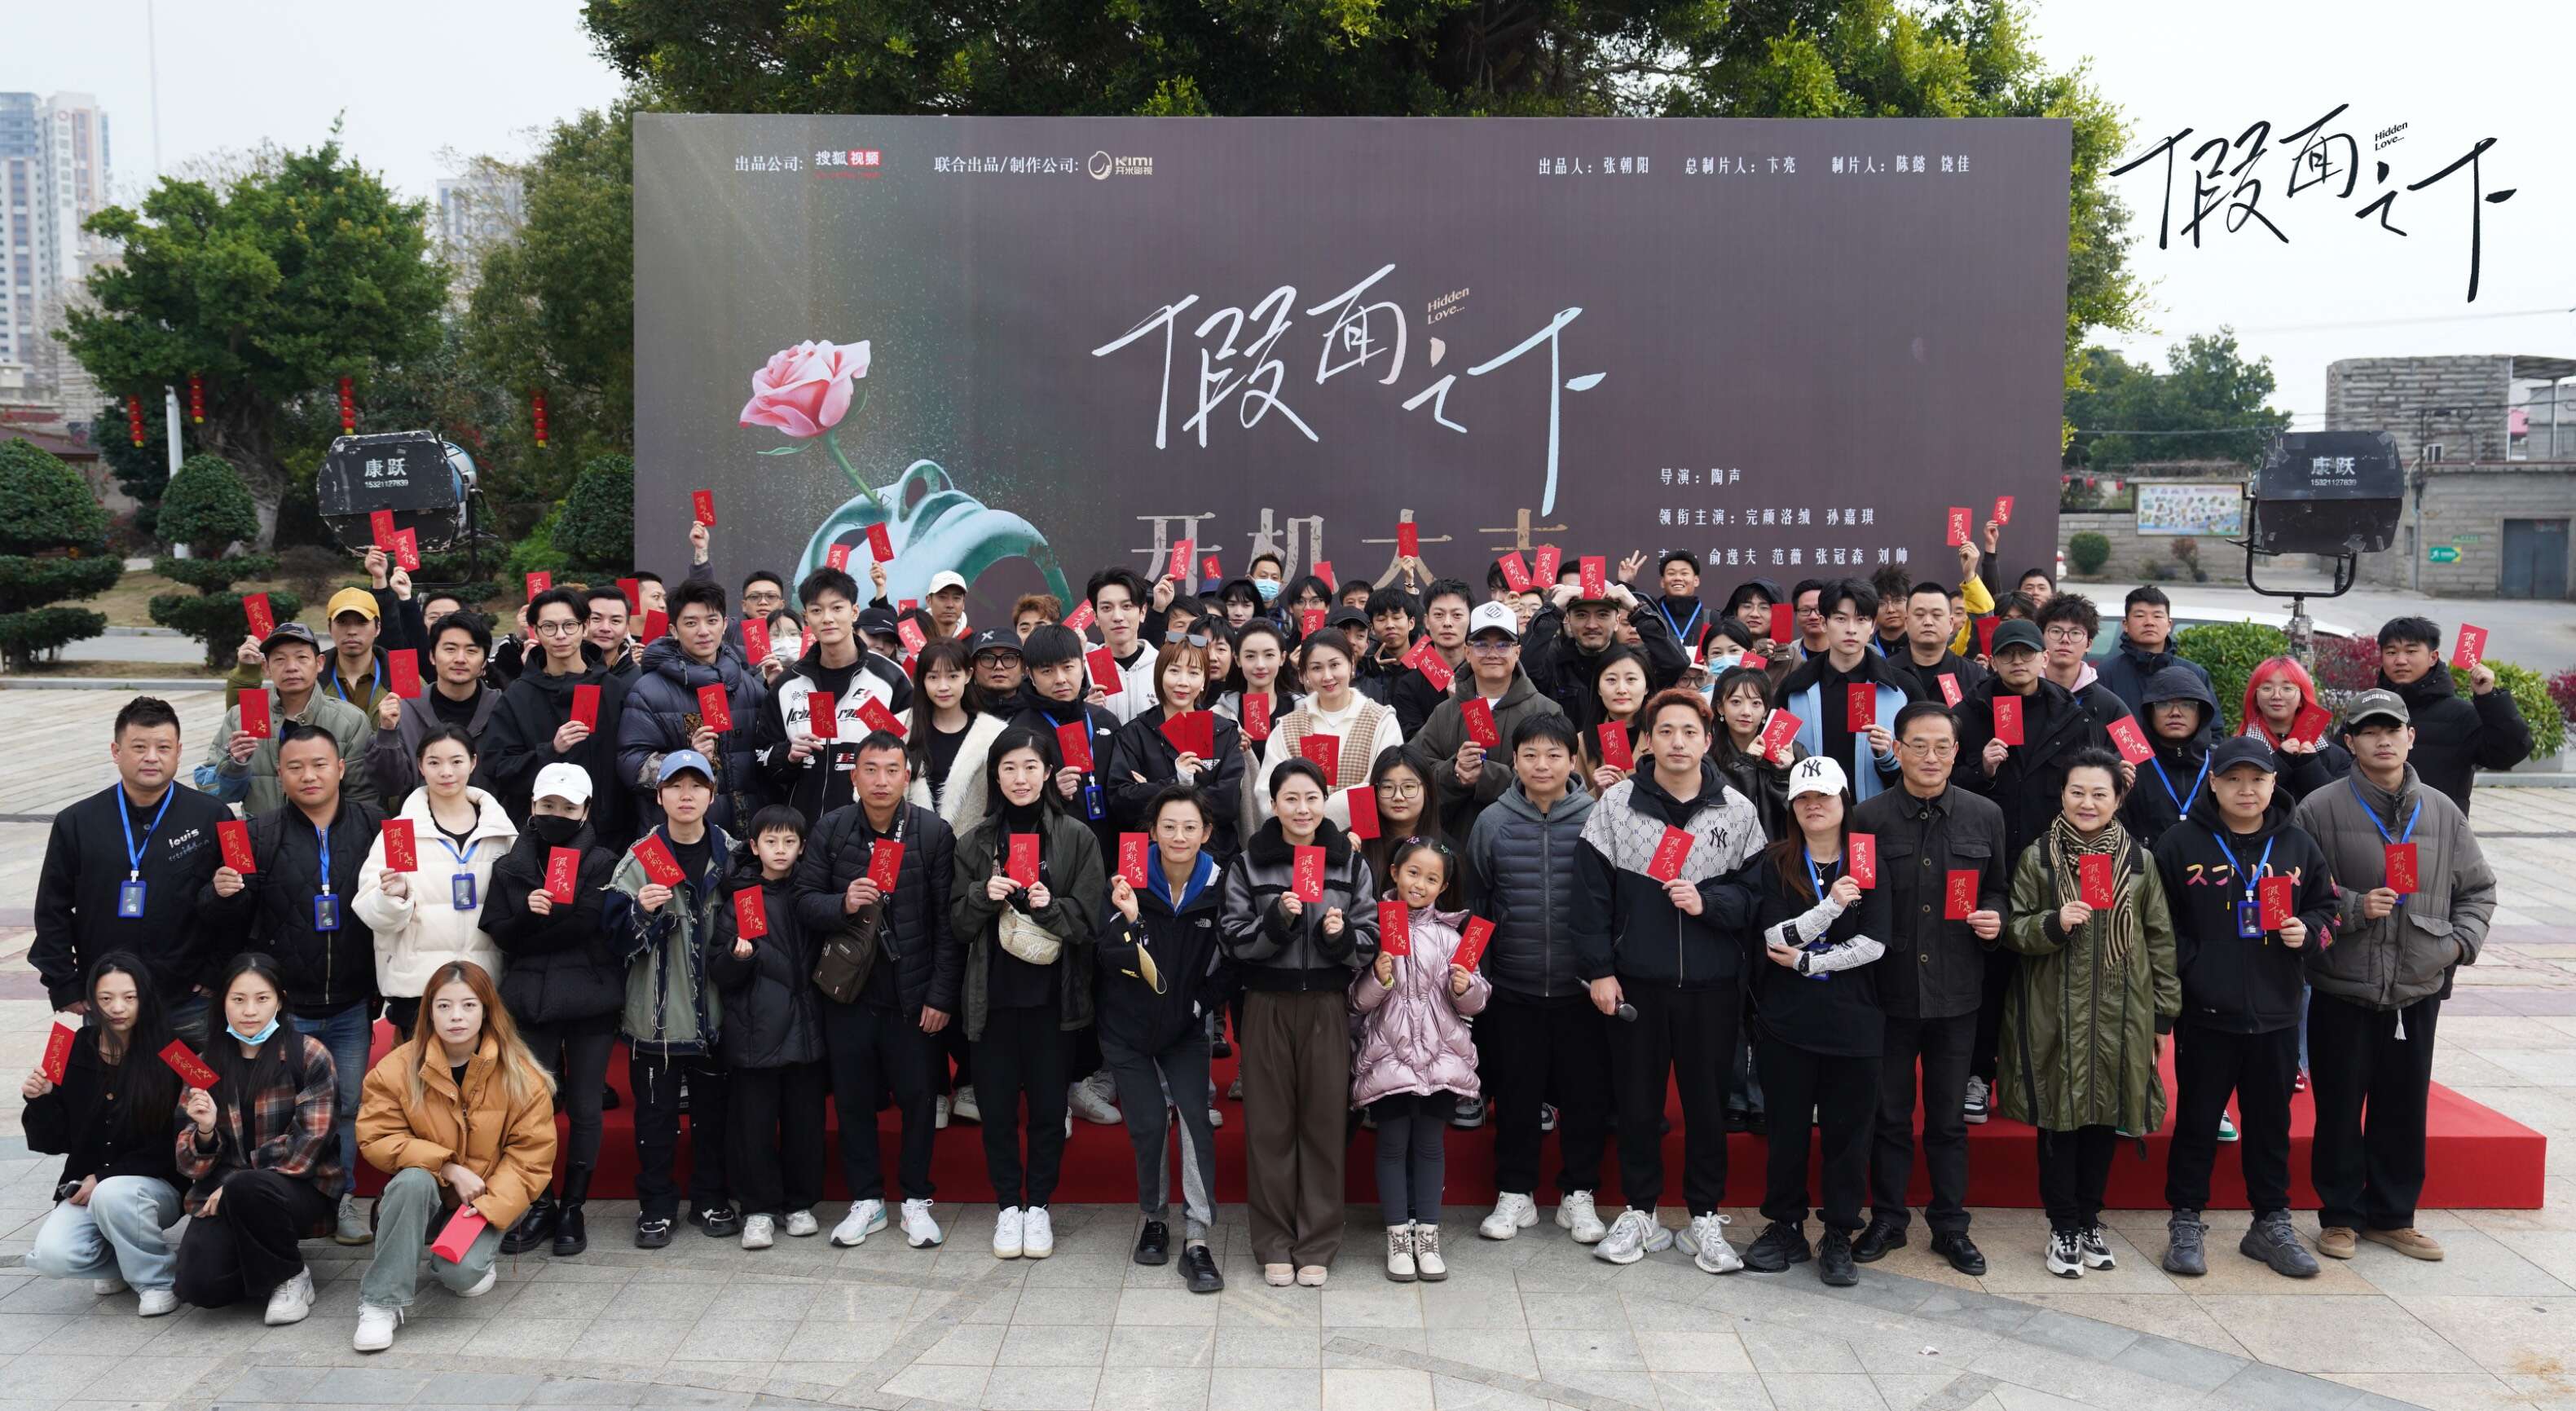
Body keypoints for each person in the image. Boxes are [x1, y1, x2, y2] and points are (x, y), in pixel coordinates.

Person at [2294, 689, 2497, 1263]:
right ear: (2350, 742)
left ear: (2411, 737)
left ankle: (2393, 1217)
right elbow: (2296, 890)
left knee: (2404, 1107)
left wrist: (2457, 945)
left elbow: (2478, 889)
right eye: (2369, 731)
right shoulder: (2318, 808)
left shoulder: (2442, 811)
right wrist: (2355, 907)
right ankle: (2339, 1216)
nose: (2382, 740)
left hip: (2415, 987)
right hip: (2342, 983)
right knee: (2339, 1108)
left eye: (2392, 729)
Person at [1574, 689, 1766, 1272]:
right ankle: (1641, 1212)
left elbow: (1755, 896)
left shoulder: (1737, 810)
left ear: (1707, 740)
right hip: (1637, 984)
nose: (1677, 742)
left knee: (1708, 1106)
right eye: (1665, 731)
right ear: (1648, 740)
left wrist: (1708, 903)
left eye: (1688, 731)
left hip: (1712, 986)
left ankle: (1704, 1215)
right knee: (1638, 1105)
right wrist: (1600, 971)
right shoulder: (1615, 807)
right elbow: (1589, 897)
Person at [2153, 737, 2336, 1281]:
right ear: (2213, 783)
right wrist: (2196, 966)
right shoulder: (2179, 843)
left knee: (2269, 1124)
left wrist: (2309, 933)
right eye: (2233, 779)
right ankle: (2186, 1220)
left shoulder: (2297, 844)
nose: (2246, 790)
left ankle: (2269, 1223)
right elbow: (2159, 923)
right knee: (2197, 1121)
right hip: (2205, 1013)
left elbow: (2329, 909)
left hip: (2277, 1013)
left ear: (2273, 784)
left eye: (2257, 779)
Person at [200, 720, 385, 1246]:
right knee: (283, 1106)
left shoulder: (377, 825)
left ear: (341, 768)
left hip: (350, 1000)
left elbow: (400, 902)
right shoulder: (255, 832)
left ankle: (342, 1197)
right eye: (296, 767)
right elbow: (227, 919)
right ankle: (285, 1195)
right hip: (287, 1006)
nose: (309, 775)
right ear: (279, 774)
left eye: (320, 764)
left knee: (346, 1105)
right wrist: (221, 892)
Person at [1997, 747, 2179, 1278]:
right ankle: (2062, 1226)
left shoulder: (2138, 861)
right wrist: (2053, 923)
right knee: (2059, 1119)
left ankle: (2088, 1218)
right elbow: (2013, 929)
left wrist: (2162, 1015)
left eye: (2099, 793)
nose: (2087, 802)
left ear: (2118, 799)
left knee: (2105, 1116)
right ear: (2061, 795)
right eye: (2076, 791)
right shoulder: (2039, 857)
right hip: (2053, 1009)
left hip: (2123, 1011)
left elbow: (2159, 940)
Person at [1955, 617, 2129, 1125]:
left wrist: (2116, 782)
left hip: (2053, 862)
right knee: (1986, 973)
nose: (2018, 662)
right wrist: (1983, 768)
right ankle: (1977, 1075)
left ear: (2042, 657)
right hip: (1984, 859)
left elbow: (2088, 783)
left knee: (2046, 972)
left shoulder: (2071, 712)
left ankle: (2044, 1075)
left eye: (2026, 653)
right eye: (2007, 654)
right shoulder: (1969, 712)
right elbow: (1944, 778)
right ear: (1993, 660)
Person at [1851, 702, 2005, 1274]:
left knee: (1946, 1119)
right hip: (1887, 990)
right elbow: (1856, 896)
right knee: (1888, 1115)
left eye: (1943, 746)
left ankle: (1949, 1225)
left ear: (1957, 751)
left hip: (1956, 989)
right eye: (1918, 745)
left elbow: (1999, 887)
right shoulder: (1866, 818)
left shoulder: (1985, 815)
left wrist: (1995, 917)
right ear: (1897, 749)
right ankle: (1888, 1218)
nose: (1931, 757)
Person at [792, 730, 957, 1250]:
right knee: (854, 1100)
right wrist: (842, 903)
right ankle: (866, 1199)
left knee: (918, 1099)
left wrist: (940, 995)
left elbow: (948, 923)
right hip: (848, 991)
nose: (881, 781)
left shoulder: (932, 832)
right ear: (854, 776)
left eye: (891, 770)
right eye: (870, 770)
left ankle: (916, 1199)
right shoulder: (832, 828)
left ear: (908, 777)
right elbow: (802, 900)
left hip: (913, 993)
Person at [1221, 758, 1379, 1285]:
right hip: (1266, 1003)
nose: (1302, 808)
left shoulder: (1349, 863)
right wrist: (1277, 921)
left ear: (1324, 800)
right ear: (1273, 804)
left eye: (1311, 797)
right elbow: (1233, 939)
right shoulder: (1249, 863)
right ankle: (1273, 1241)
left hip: (1327, 1008)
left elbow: (1369, 940)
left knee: (1323, 1123)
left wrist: (1338, 936)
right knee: (1269, 1126)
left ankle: (1317, 1242)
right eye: (1290, 798)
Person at [949, 730, 1104, 1260]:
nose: (1021, 778)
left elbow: (1089, 922)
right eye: (1010, 767)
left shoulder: (1077, 837)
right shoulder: (974, 842)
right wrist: (981, 894)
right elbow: (956, 923)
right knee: (995, 1111)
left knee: (1046, 1109)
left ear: (1048, 773)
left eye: (1031, 767)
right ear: (995, 775)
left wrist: (1049, 905)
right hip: (990, 998)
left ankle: (1037, 1204)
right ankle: (1006, 1206)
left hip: (1051, 1001)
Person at [350, 960, 557, 1351]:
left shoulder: (520, 1075)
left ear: (487, 1010)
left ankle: (469, 1258)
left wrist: (487, 1204)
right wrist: (447, 1167)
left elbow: (530, 1157)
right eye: (444, 1006)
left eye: (468, 1005)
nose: (456, 1016)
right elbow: (378, 1136)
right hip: (425, 1190)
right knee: (412, 1180)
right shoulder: (397, 1068)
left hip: (484, 1197)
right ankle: (380, 1303)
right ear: (429, 1012)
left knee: (460, 1275)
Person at [1739, 756, 1891, 1286]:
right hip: (1787, 1022)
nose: (1813, 805)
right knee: (1786, 1131)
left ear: (1844, 801)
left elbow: (1874, 943)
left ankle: (1839, 1232)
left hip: (1855, 1022)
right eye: (1803, 798)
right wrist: (1829, 907)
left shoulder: (1866, 859)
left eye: (1823, 796)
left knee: (1848, 1137)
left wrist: (1807, 961)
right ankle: (1784, 1225)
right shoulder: (1775, 860)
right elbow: (1773, 937)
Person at [1467, 714, 1609, 1245]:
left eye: (1553, 755)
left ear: (1572, 760)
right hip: (1513, 985)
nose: (1542, 765)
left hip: (1582, 989)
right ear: (1515, 761)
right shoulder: (1492, 821)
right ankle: (1515, 1192)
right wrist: (1475, 978)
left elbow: (1613, 900)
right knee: (1516, 1095)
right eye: (1530, 755)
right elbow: (1478, 904)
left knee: (1585, 1096)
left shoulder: (1596, 817)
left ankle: (1579, 1194)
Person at [481, 762, 623, 1257]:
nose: (556, 814)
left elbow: (587, 923)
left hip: (590, 998)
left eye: (567, 807)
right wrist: (526, 915)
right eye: (547, 805)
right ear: (532, 806)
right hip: (529, 1000)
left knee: (584, 1106)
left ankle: (573, 1207)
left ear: (585, 811)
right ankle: (539, 1202)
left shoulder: (603, 861)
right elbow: (498, 931)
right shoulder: (509, 865)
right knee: (532, 1106)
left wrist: (533, 930)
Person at [35, 696, 231, 1043]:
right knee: (110, 1079)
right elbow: (52, 909)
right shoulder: (75, 822)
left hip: (187, 1003)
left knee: (191, 1079)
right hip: (109, 1002)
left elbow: (242, 901)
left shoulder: (217, 817)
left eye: (163, 747)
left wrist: (216, 972)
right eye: (139, 747)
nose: (152, 757)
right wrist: (64, 982)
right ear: (116, 751)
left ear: (178, 752)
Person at [1097, 784, 1229, 1293]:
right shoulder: (1126, 879)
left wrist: (1198, 1005)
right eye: (1169, 826)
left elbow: (1232, 963)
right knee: (1149, 1124)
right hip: (1127, 1030)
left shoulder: (1218, 885)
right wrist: (1132, 919)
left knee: (1195, 1122)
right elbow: (1109, 955)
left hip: (1185, 1029)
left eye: (1190, 827)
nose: (1179, 836)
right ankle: (1155, 1217)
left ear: (1206, 832)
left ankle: (1197, 1235)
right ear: (1152, 831)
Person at [604, 750, 737, 1247]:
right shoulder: (641, 857)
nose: (686, 795)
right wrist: (639, 913)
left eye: (696, 786)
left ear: (711, 795)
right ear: (658, 796)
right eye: (675, 786)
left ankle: (711, 1198)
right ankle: (656, 1207)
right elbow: (613, 939)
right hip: (655, 1017)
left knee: (714, 1117)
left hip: (717, 1013)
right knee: (655, 1120)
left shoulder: (732, 852)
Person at [171, 953, 345, 1326]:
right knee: (198, 1287)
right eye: (238, 999)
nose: (249, 1011)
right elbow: (186, 1163)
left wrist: (236, 1183)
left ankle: (291, 1276)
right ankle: (262, 1261)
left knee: (247, 1188)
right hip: (224, 1192)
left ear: (280, 1001)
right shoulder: (204, 1063)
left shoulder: (308, 1054)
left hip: (298, 1188)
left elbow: (309, 1144)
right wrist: (205, 1131)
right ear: (223, 1002)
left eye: (262, 999)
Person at [1353, 838, 1491, 1283]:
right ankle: (1397, 1237)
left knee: (1431, 1146)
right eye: (1413, 873)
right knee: (1392, 1145)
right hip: (1387, 1058)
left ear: (1443, 887)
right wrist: (1378, 978)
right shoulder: (1374, 928)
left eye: (1432, 878)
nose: (1420, 884)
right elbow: (1355, 1002)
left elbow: (1477, 1003)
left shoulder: (1453, 937)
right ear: (1394, 873)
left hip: (1440, 1058)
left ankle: (1428, 1237)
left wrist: (1464, 987)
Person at [22, 955, 187, 1317]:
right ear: (92, 1001)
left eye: (129, 997)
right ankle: (131, 1260)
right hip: (86, 1186)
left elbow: (182, 1138)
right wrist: (40, 1100)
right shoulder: (67, 1048)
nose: (117, 1008)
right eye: (106, 998)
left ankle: (157, 1281)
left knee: (113, 1193)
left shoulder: (177, 1052)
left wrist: (107, 1176)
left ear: (145, 998)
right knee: (52, 1257)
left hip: (155, 1186)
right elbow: (52, 1143)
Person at [709, 805, 828, 1250]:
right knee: (753, 1128)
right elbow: (721, 971)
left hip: (807, 1028)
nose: (781, 850)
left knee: (805, 1126)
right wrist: (736, 958)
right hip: (755, 1031)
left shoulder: (812, 893)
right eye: (771, 842)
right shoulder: (744, 898)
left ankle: (800, 1204)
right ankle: (758, 1210)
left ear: (802, 846)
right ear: (754, 847)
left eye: (789, 842)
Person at [353, 725, 517, 1037]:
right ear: (420, 766)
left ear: (473, 762)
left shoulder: (501, 832)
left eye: (456, 761)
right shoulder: (402, 832)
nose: (446, 772)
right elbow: (372, 913)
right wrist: (395, 897)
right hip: (419, 986)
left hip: (483, 984)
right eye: (434, 762)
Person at [477, 587, 636, 846]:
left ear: (585, 627)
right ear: (536, 631)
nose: (560, 635)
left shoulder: (615, 690)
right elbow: (498, 768)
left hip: (609, 837)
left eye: (569, 625)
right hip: (540, 836)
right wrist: (551, 750)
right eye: (549, 627)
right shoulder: (517, 696)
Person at [763, 565, 917, 824]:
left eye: (837, 608)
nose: (827, 618)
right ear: (806, 618)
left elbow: (913, 753)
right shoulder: (788, 684)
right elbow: (762, 754)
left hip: (870, 828)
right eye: (816, 610)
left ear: (854, 612)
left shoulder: (891, 678)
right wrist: (787, 756)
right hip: (803, 831)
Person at [622, 577, 771, 833]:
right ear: (673, 630)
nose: (703, 631)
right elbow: (631, 765)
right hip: (680, 833)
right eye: (691, 623)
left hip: (745, 832)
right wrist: (686, 759)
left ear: (725, 624)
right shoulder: (647, 690)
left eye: (712, 621)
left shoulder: (748, 685)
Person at [1407, 602, 1565, 843]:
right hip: (1455, 846)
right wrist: (1455, 772)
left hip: (1527, 845)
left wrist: (1485, 776)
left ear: (1517, 652)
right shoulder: (1445, 712)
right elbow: (1414, 773)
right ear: (1467, 652)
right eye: (1482, 645)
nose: (1492, 654)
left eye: (1503, 645)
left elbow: (1556, 780)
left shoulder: (1546, 711)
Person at [201, 622, 376, 814]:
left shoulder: (350, 720)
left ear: (319, 663)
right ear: (266, 667)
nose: (291, 667)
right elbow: (215, 792)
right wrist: (235, 765)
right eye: (280, 659)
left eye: (302, 658)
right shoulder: (241, 716)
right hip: (262, 829)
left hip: (326, 831)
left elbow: (362, 796)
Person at [2370, 616, 2532, 814]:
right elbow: (2341, 766)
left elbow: (2508, 753)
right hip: (2371, 826)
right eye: (2391, 652)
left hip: (2442, 826)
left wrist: (2489, 698)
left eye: (2411, 651)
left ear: (2433, 657)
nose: (2400, 660)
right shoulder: (2368, 711)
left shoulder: (2461, 715)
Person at [1776, 578, 1916, 801]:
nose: (1851, 629)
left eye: (1861, 619)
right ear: (1824, 623)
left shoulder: (1902, 688)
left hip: (1879, 815)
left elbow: (1920, 767)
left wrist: (1887, 757)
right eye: (1841, 619)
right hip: (1813, 813)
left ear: (1872, 626)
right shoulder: (1794, 689)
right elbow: (1775, 758)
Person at [1107, 635, 1248, 858]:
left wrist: (1155, 789)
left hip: (1213, 853)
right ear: (1160, 674)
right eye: (1174, 671)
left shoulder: (1223, 732)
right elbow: (1122, 801)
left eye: (1193, 673)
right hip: (1149, 855)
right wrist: (1177, 781)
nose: (1183, 682)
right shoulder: (1134, 734)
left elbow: (1228, 802)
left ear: (1204, 680)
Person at [1252, 630, 1406, 832]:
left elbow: (1386, 785)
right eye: (1316, 668)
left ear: (1351, 664)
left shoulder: (1382, 721)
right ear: (1304, 674)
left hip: (1366, 840)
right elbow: (1266, 795)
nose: (1327, 676)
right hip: (1303, 842)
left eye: (1334, 665)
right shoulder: (1288, 728)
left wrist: (1314, 811)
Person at [1521, 571, 1689, 725]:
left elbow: (1676, 663)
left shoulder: (1636, 663)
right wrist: (1552, 610)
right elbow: (1524, 667)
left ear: (1617, 621)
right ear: (1568, 620)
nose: (1592, 625)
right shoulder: (1553, 661)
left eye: (1602, 615)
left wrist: (1637, 608)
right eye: (1581, 615)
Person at [367, 611, 500, 803]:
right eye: (450, 649)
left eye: (471, 651)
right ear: (432, 656)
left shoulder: (502, 709)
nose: (460, 659)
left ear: (484, 662)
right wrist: (387, 733)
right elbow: (389, 786)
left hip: (489, 818)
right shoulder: (405, 711)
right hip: (422, 819)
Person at [905, 637, 1007, 833]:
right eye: (933, 677)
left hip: (972, 847)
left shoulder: (993, 734)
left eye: (952, 676)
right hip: (911, 847)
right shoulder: (901, 728)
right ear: (922, 680)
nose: (943, 686)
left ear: (968, 675)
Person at [2120, 665, 2221, 846]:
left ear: (2202, 712)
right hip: (2143, 861)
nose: (2175, 713)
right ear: (2149, 712)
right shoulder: (2129, 762)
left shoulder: (2219, 762)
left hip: (2209, 863)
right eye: (2164, 704)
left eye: (2187, 705)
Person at [1707, 664, 1804, 841]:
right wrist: (1746, 763)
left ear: (1766, 710)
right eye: (1736, 702)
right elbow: (1721, 810)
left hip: (1782, 851)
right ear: (1720, 708)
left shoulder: (1793, 751)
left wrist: (1783, 774)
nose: (1746, 712)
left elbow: (1804, 813)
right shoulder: (1708, 757)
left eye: (1756, 703)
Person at [2095, 586, 2217, 725]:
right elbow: (2095, 727)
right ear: (2126, 624)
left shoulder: (2195, 674)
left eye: (2158, 616)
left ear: (2169, 624)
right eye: (2140, 616)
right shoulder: (2105, 675)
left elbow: (2213, 728)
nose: (2149, 622)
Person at [2240, 655, 2352, 802]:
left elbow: (2340, 803)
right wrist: (2281, 761)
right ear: (2255, 697)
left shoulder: (2337, 757)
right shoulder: (2237, 750)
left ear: (2302, 699)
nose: (2276, 696)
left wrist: (2309, 764)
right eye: (2267, 688)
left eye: (2287, 688)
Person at [1362, 752, 1463, 911]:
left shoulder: (1449, 851)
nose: (1398, 797)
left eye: (1409, 787)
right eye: (1387, 787)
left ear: (1427, 789)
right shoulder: (1354, 843)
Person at [1388, 579, 1473, 738]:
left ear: (1471, 620)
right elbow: (1414, 744)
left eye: (1457, 615)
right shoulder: (1408, 685)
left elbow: (1490, 740)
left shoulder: (1484, 674)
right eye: (1439, 615)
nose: (1447, 623)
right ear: (1427, 621)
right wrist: (1451, 708)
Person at [1085, 567, 1165, 722]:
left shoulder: (1163, 666)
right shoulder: (1082, 671)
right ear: (1095, 617)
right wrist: (1084, 713)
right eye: (1106, 608)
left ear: (1142, 612)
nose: (1117, 617)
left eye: (1127, 606)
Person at [1893, 580, 1989, 706]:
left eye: (1937, 615)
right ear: (1906, 623)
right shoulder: (1885, 672)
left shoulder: (1974, 674)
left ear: (1950, 623)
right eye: (1920, 615)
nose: (1928, 622)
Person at [1574, 646, 1651, 793]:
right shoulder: (1581, 743)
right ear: (1598, 688)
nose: (1621, 689)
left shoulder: (1661, 739)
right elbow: (1572, 802)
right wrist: (1598, 792)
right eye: (1611, 680)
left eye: (1631, 679)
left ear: (1647, 687)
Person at [1354, 585, 1420, 704]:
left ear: (1411, 623)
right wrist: (1369, 668)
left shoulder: (1429, 661)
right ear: (1372, 628)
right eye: (1381, 619)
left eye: (1396, 618)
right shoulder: (1363, 666)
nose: (1390, 625)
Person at [971, 626, 1028, 711]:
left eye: (1009, 658)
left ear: (1023, 667)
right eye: (988, 658)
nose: (999, 666)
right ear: (974, 668)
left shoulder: (1039, 713)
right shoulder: (959, 713)